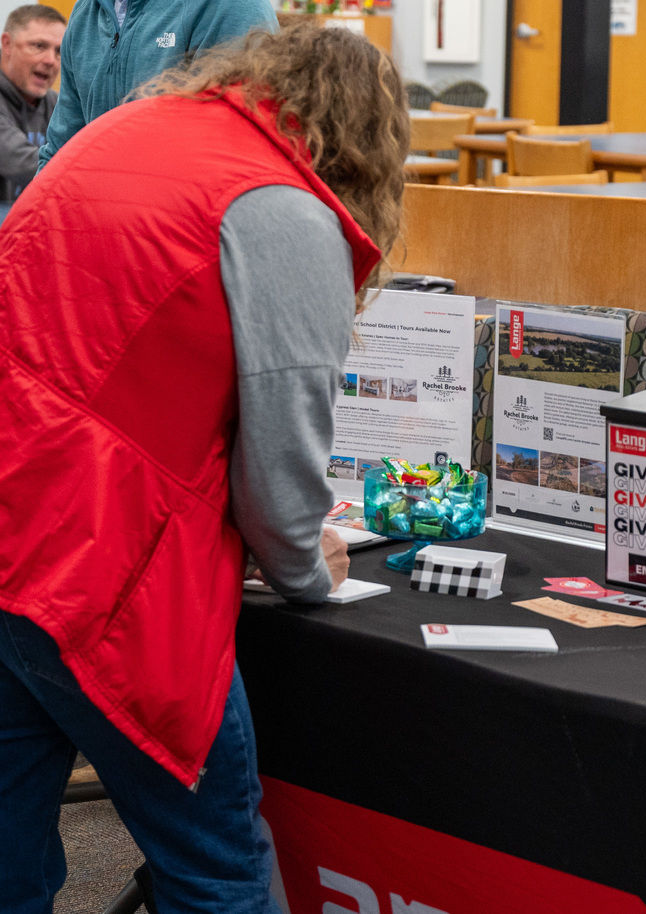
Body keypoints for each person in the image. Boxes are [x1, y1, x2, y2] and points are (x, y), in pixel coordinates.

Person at [0, 21, 409, 914]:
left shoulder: (130, 128)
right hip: (100, 564)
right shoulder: (279, 203)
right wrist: (303, 565)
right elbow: (283, 446)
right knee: (215, 868)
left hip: (13, 520)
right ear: (365, 140)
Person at [37, 0, 278, 171]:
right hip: (103, 219)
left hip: (181, 226)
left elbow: (237, 156)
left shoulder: (232, 7)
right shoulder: (86, 12)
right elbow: (61, 150)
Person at [0, 4, 65, 201]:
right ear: (7, 44)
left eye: (59, 51)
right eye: (39, 46)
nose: (51, 60)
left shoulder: (57, 104)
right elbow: (21, 163)